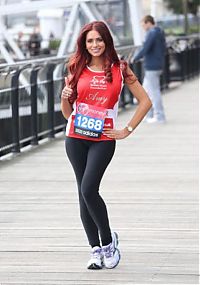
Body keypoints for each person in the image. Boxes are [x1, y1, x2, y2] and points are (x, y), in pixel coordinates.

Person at [61, 21, 152, 270]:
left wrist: (126, 130)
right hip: (76, 137)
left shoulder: (120, 68)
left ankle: (109, 242)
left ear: (106, 41)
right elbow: (68, 114)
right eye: (89, 41)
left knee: (89, 189)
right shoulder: (76, 67)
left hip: (103, 139)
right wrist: (64, 99)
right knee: (82, 194)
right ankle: (95, 250)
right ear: (84, 44)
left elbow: (145, 101)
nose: (94, 45)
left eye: (98, 40)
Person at [133, 15, 166, 123]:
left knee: (154, 92)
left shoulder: (152, 33)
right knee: (145, 92)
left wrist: (134, 58)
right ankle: (149, 115)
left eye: (143, 24)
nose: (143, 27)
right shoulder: (159, 31)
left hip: (152, 67)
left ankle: (160, 116)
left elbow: (145, 48)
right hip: (157, 65)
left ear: (148, 23)